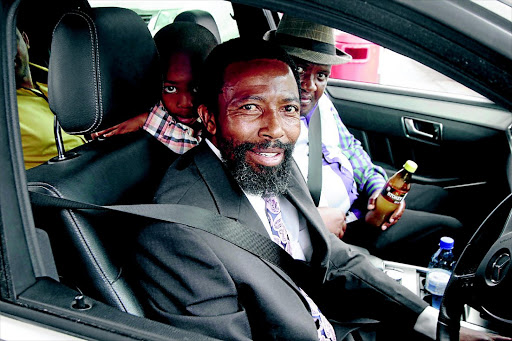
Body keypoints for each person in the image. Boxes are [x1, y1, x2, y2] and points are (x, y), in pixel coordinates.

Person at [134, 38, 507, 341]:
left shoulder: (275, 161)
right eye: (250, 107)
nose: (276, 129)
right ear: (209, 120)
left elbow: (334, 258)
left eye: (289, 109)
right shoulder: (179, 231)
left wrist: (432, 320)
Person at [265, 15, 463, 265]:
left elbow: (350, 149)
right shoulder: (266, 127)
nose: (310, 86)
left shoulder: (321, 104)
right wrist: (311, 221)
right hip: (336, 228)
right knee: (449, 228)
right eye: (300, 69)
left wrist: (375, 189)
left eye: (321, 75)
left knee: (442, 197)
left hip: (359, 201)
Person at [91, 22, 218, 154]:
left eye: (196, 89)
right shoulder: (142, 107)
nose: (185, 103)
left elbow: (200, 151)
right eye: (170, 89)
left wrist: (146, 120)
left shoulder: (215, 110)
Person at [15, 28, 85, 169]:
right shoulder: (6, 110)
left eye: (9, 40)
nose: (4, 51)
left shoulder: (62, 80)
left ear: (26, 40)